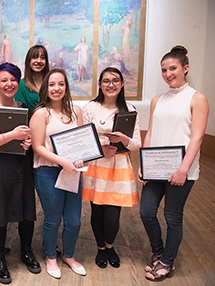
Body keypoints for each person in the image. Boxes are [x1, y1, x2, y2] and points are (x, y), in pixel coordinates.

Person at [139, 46, 208, 282]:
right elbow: (150, 133)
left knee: (172, 217)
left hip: (181, 170)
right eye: (164, 70)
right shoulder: (158, 100)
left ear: (185, 68)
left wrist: (183, 169)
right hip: (156, 168)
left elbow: (197, 137)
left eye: (173, 68)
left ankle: (167, 261)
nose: (168, 74)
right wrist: (143, 163)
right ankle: (158, 251)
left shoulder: (197, 98)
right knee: (146, 212)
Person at [0, 62, 40, 284]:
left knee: (26, 211)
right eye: (4, 80)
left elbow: (31, 137)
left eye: (13, 79)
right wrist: (12, 135)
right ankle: (0, 257)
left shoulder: (24, 107)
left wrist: (28, 141)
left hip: (20, 166)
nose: (9, 84)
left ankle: (26, 250)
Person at [81, 67, 141, 269]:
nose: (111, 85)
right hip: (97, 165)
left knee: (112, 214)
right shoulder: (90, 108)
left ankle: (110, 245)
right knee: (97, 211)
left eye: (115, 80)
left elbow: (137, 143)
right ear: (99, 84)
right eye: (106, 81)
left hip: (119, 166)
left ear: (122, 84)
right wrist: (101, 149)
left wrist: (124, 139)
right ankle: (100, 248)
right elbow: (83, 141)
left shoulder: (130, 109)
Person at [30, 69, 86, 279]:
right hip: (48, 171)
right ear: (46, 88)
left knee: (74, 221)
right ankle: (51, 256)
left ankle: (69, 256)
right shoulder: (41, 113)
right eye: (52, 84)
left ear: (66, 87)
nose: (56, 88)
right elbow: (37, 147)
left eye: (61, 84)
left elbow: (81, 140)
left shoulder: (76, 111)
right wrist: (61, 160)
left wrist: (80, 158)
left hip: (73, 172)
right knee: (53, 219)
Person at [14, 45, 50, 111]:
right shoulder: (21, 85)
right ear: (29, 61)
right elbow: (21, 113)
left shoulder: (51, 83)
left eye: (42, 58)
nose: (39, 61)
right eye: (35, 57)